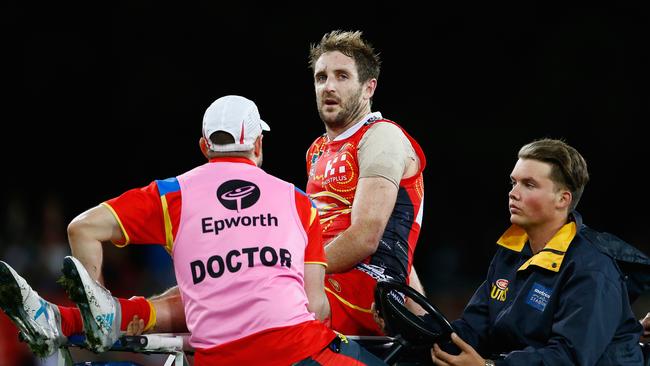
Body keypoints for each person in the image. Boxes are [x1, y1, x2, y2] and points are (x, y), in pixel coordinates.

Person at [0, 95, 387, 365]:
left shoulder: (173, 194)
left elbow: (81, 228)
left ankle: (69, 318)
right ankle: (90, 315)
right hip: (293, 349)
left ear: (204, 146)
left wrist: (97, 295)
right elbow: (315, 306)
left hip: (216, 354)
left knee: (199, 294)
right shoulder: (297, 201)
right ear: (258, 144)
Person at [429, 138, 644, 365]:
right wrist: (425, 335)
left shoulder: (592, 268)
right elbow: (474, 327)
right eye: (513, 183)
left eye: (529, 185)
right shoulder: (511, 251)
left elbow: (568, 358)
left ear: (563, 199)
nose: (513, 193)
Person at [304, 29, 427, 336]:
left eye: (342, 76)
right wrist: (424, 320)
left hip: (370, 288)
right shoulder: (317, 150)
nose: (329, 86)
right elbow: (397, 239)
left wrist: (295, 268)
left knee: (260, 297)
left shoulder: (381, 136)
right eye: (321, 78)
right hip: (329, 278)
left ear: (368, 87)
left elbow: (365, 237)